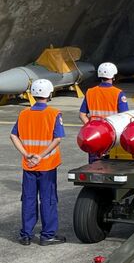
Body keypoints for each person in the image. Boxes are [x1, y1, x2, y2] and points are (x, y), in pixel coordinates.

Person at [10, 79, 66, 246]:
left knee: (28, 199)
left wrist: (26, 154)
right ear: (49, 94)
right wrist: (41, 155)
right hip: (46, 165)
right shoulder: (54, 114)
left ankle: (25, 235)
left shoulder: (23, 114)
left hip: (28, 165)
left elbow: (14, 135)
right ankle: (47, 235)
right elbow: (57, 139)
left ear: (33, 94)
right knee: (48, 199)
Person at [79, 62, 128, 163]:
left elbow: (82, 114)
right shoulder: (118, 93)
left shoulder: (90, 92)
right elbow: (124, 116)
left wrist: (91, 127)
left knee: (94, 166)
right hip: (111, 136)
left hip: (95, 136)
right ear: (113, 76)